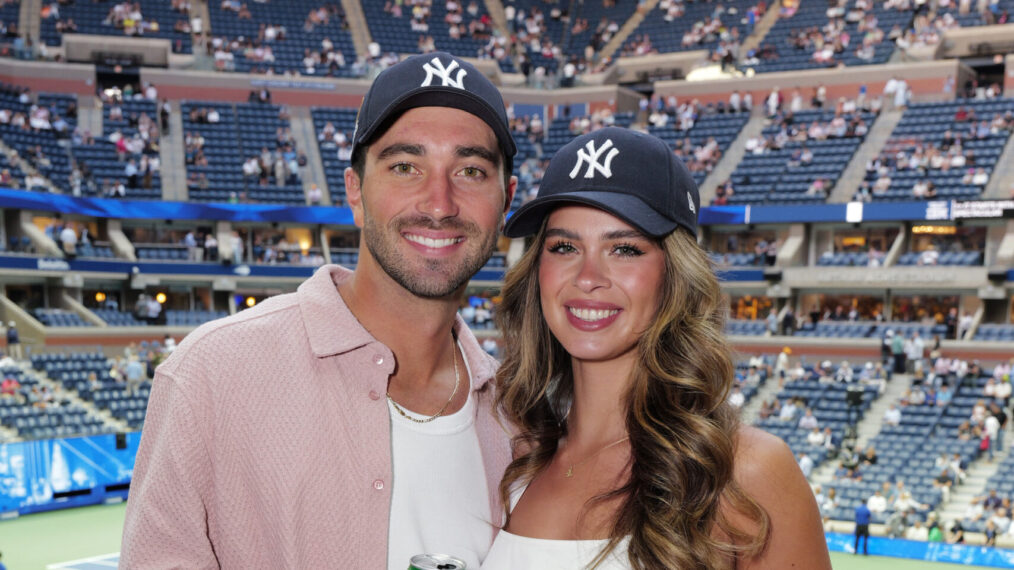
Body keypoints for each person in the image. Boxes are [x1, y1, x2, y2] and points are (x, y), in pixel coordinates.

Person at [121, 52, 519, 567]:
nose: (438, 202)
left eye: (470, 170)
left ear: (505, 200)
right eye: (405, 166)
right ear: (355, 191)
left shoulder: (518, 414)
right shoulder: (212, 374)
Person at [485, 128, 829, 568]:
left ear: (675, 275)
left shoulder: (746, 472)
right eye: (564, 246)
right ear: (537, 270)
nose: (588, 276)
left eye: (625, 249)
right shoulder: (512, 461)